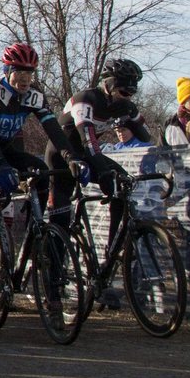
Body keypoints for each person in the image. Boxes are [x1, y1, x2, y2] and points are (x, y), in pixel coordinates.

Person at [0, 43, 85, 335]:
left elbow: (54, 132)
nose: (25, 78)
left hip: (6, 148)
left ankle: (33, 239)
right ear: (7, 71)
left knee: (40, 172)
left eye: (29, 72)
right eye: (19, 72)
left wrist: (70, 158)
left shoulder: (36, 96)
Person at [49, 58, 152, 262]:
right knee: (59, 221)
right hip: (62, 157)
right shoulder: (85, 99)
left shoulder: (122, 105)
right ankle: (53, 276)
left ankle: (114, 249)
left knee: (122, 185)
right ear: (109, 85)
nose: (128, 97)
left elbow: (146, 137)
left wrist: (133, 118)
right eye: (124, 92)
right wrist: (103, 172)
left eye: (132, 93)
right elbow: (88, 141)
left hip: (87, 154)